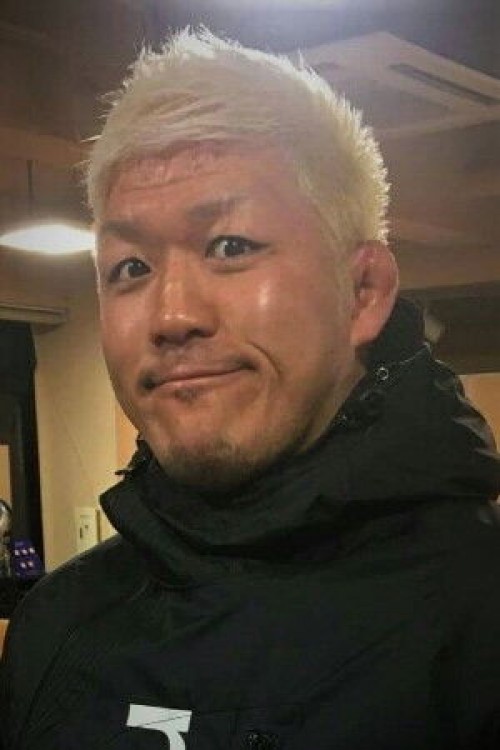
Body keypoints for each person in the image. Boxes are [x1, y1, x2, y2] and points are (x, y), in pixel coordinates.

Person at [1, 27, 500, 750]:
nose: (172, 316)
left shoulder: (478, 620)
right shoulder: (56, 626)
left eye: (230, 246)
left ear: (362, 291)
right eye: (132, 267)